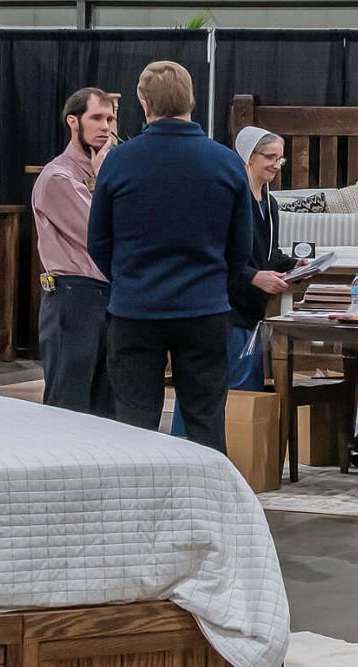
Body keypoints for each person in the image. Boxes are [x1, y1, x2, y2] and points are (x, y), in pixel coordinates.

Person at [87, 61, 263, 456]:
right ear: (192, 101)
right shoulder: (225, 162)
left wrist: (128, 280)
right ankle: (209, 492)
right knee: (205, 421)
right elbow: (240, 250)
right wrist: (213, 282)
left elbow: (97, 241)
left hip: (135, 310)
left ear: (144, 105)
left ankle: (137, 492)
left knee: (134, 423)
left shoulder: (119, 160)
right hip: (204, 309)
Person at [171, 126, 292, 437]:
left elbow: (268, 253)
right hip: (225, 306)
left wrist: (297, 265)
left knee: (244, 391)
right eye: (270, 157)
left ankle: (239, 454)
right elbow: (217, 253)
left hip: (251, 312)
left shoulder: (270, 203)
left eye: (280, 159)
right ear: (249, 157)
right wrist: (254, 277)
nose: (276, 165)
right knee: (207, 386)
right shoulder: (229, 198)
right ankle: (184, 447)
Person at [32, 87, 117, 416]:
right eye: (96, 118)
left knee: (105, 408)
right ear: (73, 121)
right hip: (74, 296)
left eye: (110, 119)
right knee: (69, 405)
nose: (105, 127)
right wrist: (103, 178)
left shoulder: (101, 172)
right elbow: (100, 231)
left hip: (106, 295)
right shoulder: (58, 177)